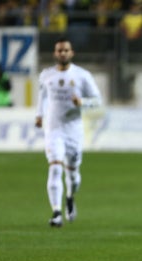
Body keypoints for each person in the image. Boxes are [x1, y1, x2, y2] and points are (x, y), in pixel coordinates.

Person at [35, 37, 102, 227]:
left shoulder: (82, 75)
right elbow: (42, 96)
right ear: (55, 53)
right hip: (53, 129)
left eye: (66, 50)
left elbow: (97, 101)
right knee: (55, 167)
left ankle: (70, 197)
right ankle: (56, 212)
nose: (62, 53)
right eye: (59, 50)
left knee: (72, 175)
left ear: (71, 53)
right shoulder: (46, 75)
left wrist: (83, 103)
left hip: (73, 131)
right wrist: (39, 115)